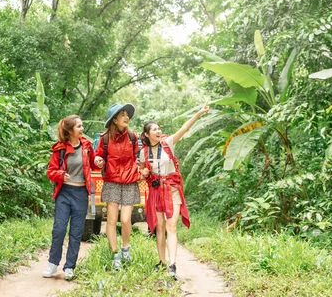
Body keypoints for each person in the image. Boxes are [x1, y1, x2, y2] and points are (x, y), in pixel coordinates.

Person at [139, 104, 209, 280]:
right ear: (147, 134)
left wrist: (198, 113)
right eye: (154, 129)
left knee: (171, 226)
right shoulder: (143, 152)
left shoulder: (168, 143)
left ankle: (172, 265)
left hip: (171, 189)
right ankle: (161, 262)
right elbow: (142, 173)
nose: (158, 131)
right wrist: (144, 173)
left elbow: (184, 129)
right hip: (156, 191)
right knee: (159, 227)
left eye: (159, 128)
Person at [43, 115, 102, 280]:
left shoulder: (87, 146)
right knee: (59, 229)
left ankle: (69, 267)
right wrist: (61, 174)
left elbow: (93, 160)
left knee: (76, 233)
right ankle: (53, 263)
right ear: (70, 131)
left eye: (82, 126)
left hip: (81, 194)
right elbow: (51, 172)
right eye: (79, 127)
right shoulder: (60, 149)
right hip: (64, 193)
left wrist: (97, 160)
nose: (82, 129)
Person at [94, 102, 140, 270]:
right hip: (112, 181)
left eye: (127, 115)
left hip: (130, 181)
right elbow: (98, 156)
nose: (126, 117)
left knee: (126, 219)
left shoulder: (134, 137)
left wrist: (141, 169)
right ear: (114, 120)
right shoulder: (105, 138)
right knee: (112, 220)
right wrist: (98, 160)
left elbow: (138, 157)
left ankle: (125, 248)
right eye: (122, 115)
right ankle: (115, 255)